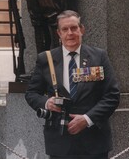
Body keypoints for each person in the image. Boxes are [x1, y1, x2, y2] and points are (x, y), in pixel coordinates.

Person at [25, 10, 120, 159]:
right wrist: (46, 102)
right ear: (59, 33)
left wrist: (87, 119)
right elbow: (31, 94)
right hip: (59, 142)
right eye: (65, 29)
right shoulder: (46, 59)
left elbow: (112, 96)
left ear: (82, 29)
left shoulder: (99, 56)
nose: (70, 33)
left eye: (74, 28)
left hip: (94, 141)